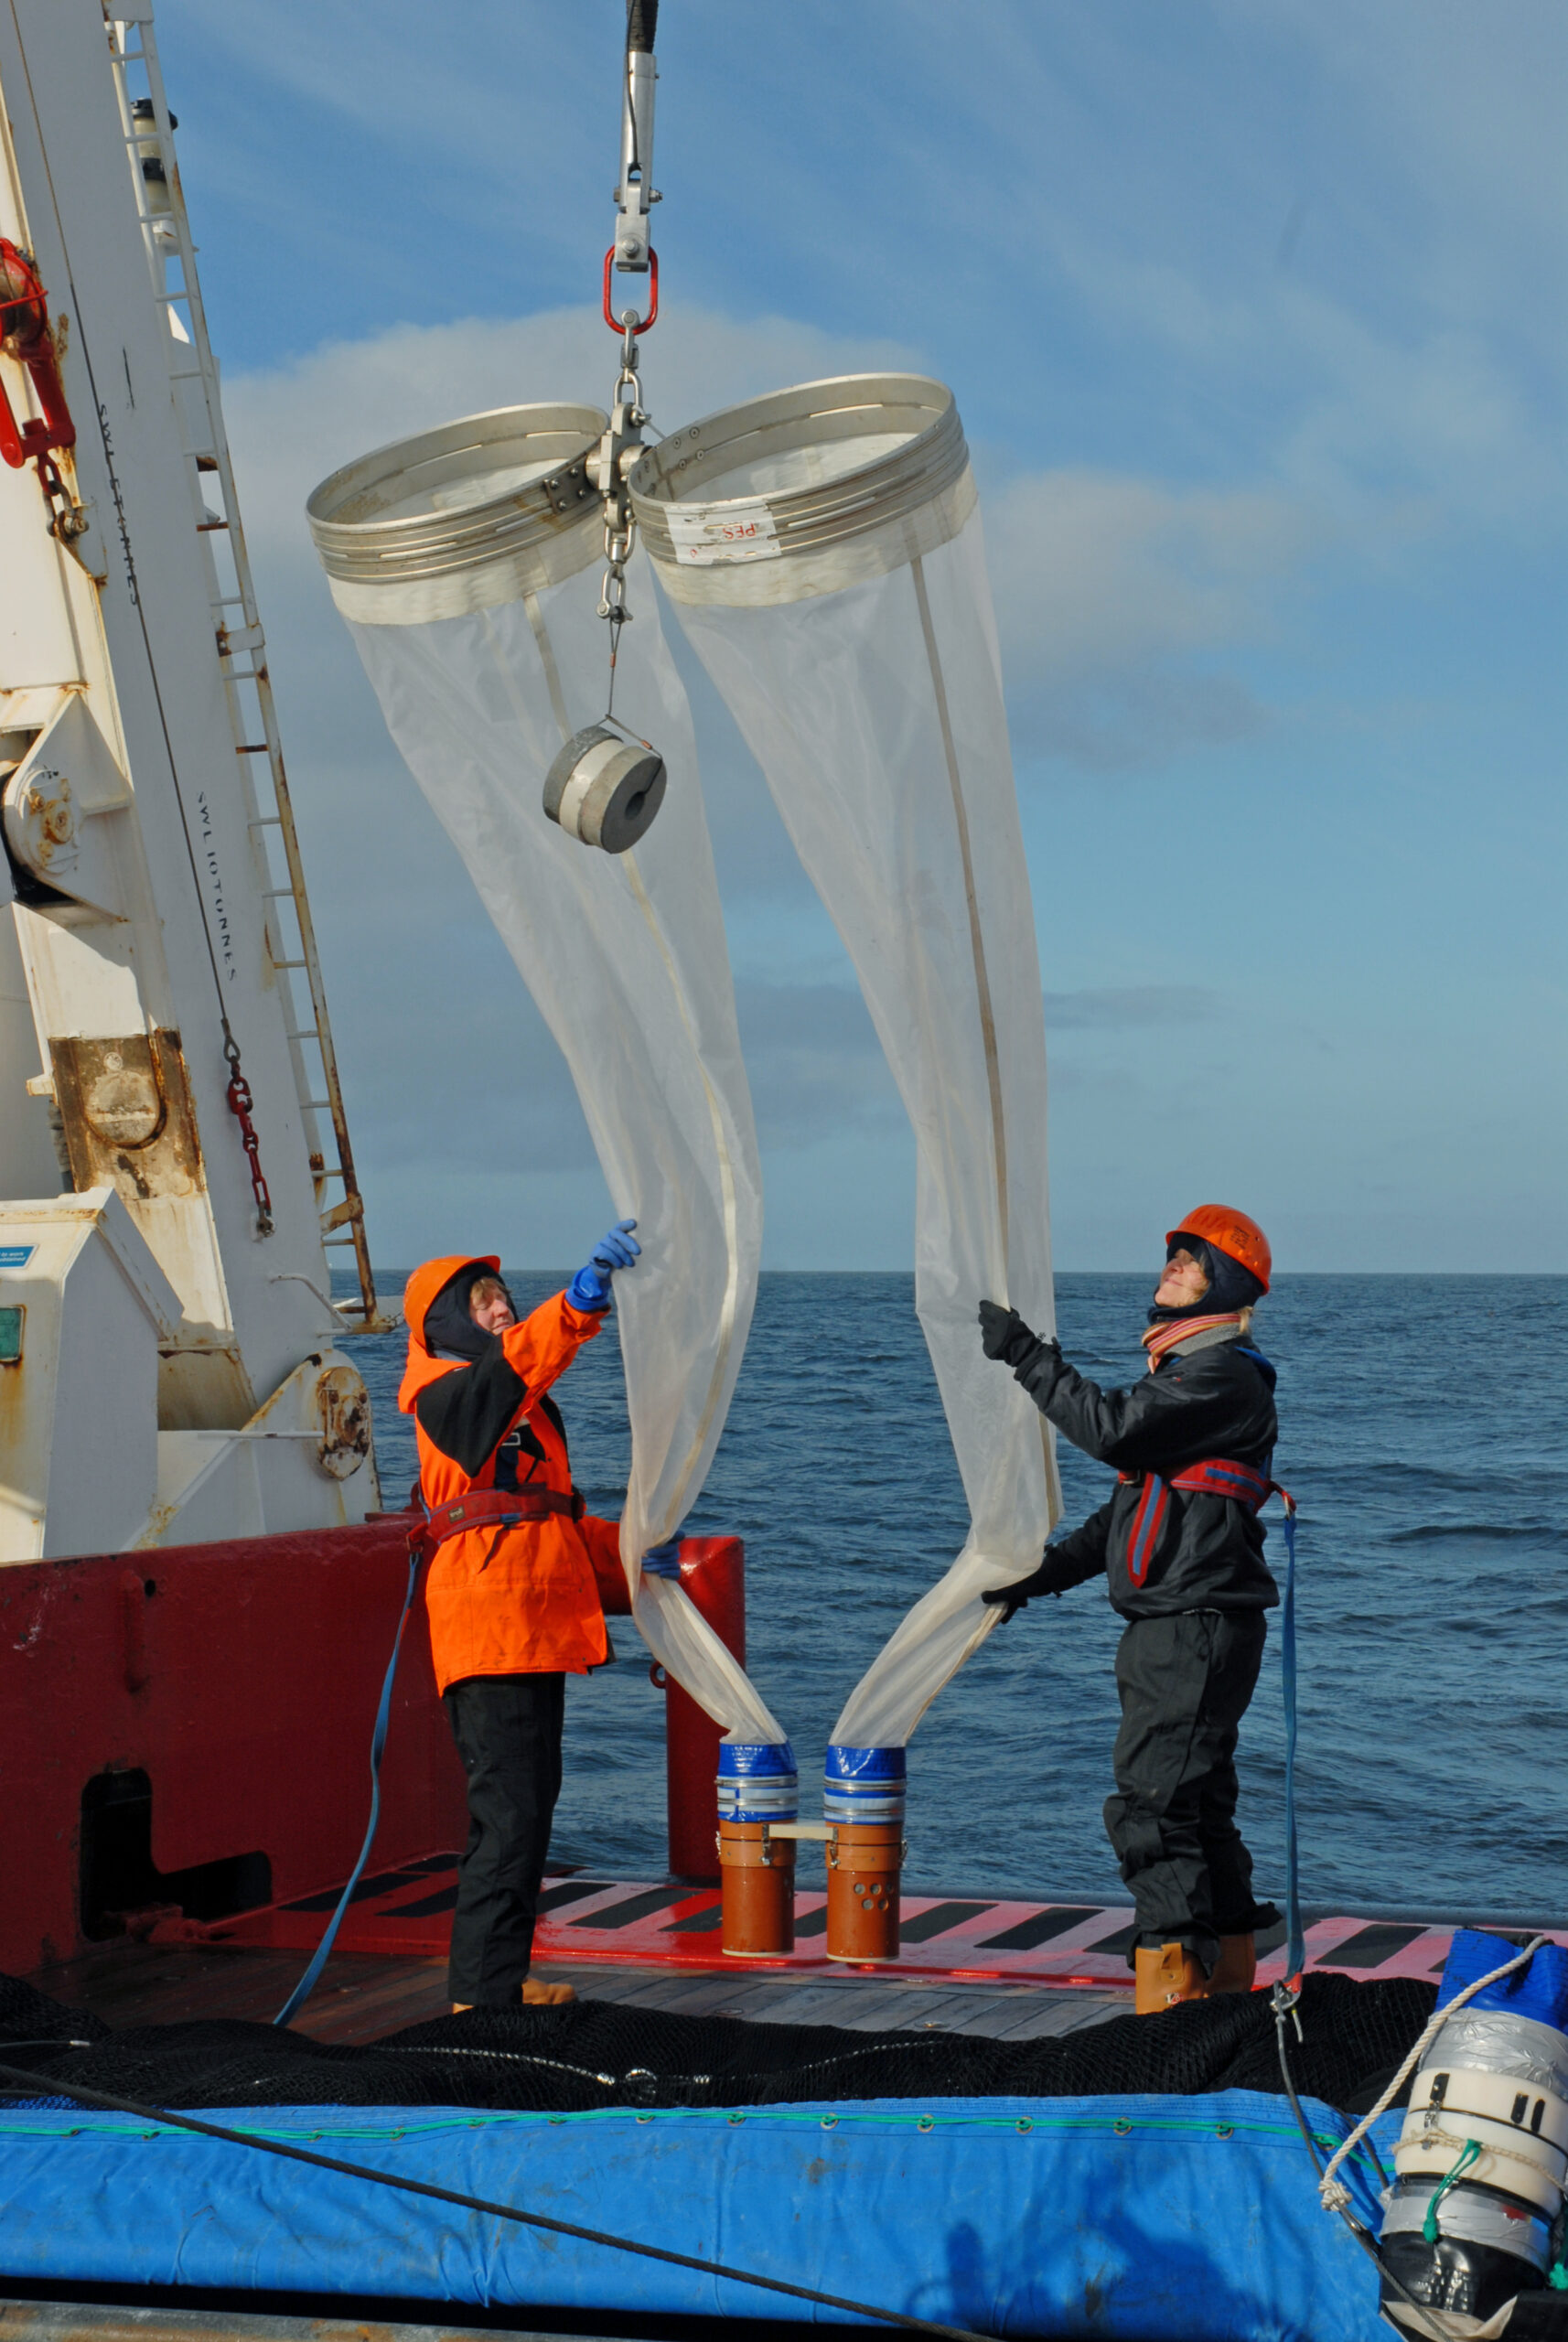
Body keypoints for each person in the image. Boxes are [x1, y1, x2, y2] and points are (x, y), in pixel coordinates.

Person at [977, 1206, 1283, 2015]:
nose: (1174, 1265)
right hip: (1189, 1623)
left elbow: (1110, 1433)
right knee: (1196, 1804)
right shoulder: (1187, 1382)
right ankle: (1229, 1997)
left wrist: (1026, 1355)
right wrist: (1036, 1582)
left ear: (1224, 1287)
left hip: (1193, 1623)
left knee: (1151, 1808)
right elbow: (1124, 1518)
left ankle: (1170, 2010)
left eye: (1194, 1261)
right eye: (1175, 1255)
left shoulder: (1222, 1375)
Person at [398, 1222, 682, 2014]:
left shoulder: (503, 1408)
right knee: (507, 1814)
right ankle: (480, 2001)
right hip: (492, 1635)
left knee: (526, 1809)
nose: (500, 1311)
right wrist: (578, 1302)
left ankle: (501, 1980)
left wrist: (628, 1552)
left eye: (503, 1299)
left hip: (525, 1631)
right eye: (483, 1303)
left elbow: (534, 1520)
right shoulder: (446, 1401)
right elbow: (518, 1366)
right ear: (445, 1322)